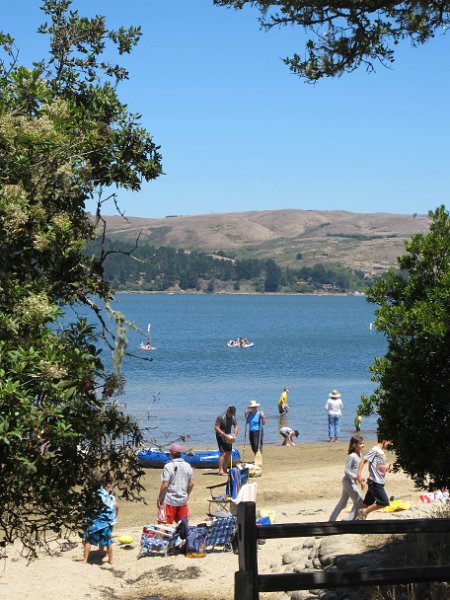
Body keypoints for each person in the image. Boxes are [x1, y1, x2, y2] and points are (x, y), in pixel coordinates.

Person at [82, 474, 118, 565]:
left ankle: (85, 560)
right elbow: (116, 507)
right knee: (108, 542)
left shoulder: (93, 495)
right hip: (106, 523)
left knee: (89, 541)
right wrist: (114, 518)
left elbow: (87, 509)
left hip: (95, 524)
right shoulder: (111, 497)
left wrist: (85, 522)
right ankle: (110, 560)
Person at [329, 434, 365, 521]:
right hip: (348, 482)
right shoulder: (352, 456)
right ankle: (350, 521)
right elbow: (346, 470)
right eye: (360, 443)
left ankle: (332, 520)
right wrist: (357, 477)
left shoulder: (361, 455)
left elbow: (357, 470)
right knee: (359, 502)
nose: (363, 445)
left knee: (343, 503)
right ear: (354, 445)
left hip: (352, 481)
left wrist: (360, 478)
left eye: (363, 443)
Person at [157, 442, 194, 524]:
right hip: (182, 500)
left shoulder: (168, 466)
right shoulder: (187, 466)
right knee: (182, 525)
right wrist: (186, 494)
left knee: (163, 524)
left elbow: (165, 485)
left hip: (169, 500)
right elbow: (191, 484)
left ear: (171, 453)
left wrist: (159, 498)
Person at [356, 438, 392, 520]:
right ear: (384, 440)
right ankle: (364, 511)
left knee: (366, 504)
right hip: (375, 482)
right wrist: (359, 475)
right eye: (389, 442)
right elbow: (363, 461)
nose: (390, 444)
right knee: (384, 502)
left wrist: (386, 468)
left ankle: (355, 521)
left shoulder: (381, 452)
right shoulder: (375, 450)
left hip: (377, 482)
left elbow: (378, 466)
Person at [214, 406, 239, 475]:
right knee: (223, 453)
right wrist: (224, 435)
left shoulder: (233, 417)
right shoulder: (221, 416)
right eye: (231, 413)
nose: (232, 415)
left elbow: (236, 426)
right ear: (228, 411)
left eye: (233, 414)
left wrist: (235, 434)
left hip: (229, 435)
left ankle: (225, 469)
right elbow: (216, 427)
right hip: (220, 435)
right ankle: (220, 470)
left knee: (229, 452)